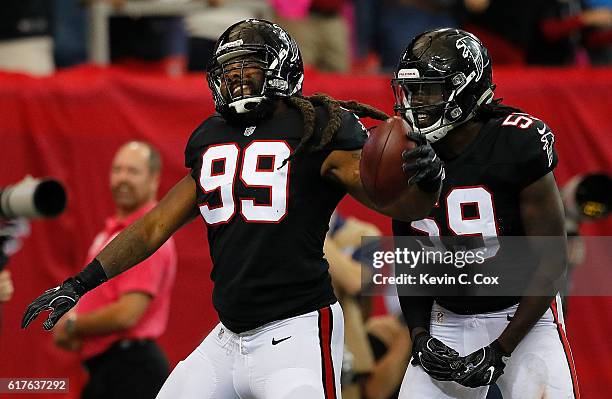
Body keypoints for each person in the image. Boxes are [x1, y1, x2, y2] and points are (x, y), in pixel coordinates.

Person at [22, 19, 443, 399]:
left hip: (294, 330)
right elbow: (153, 226)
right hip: (228, 335)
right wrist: (80, 283)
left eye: (250, 69)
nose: (238, 80)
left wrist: (427, 180)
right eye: (231, 71)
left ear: (281, 71)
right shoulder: (212, 136)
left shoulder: (316, 127)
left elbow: (391, 200)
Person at [390, 28, 578, 398]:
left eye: (430, 90)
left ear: (466, 89)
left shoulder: (516, 141)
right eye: (412, 91)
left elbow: (552, 260)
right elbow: (410, 260)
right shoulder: (400, 150)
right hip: (447, 318)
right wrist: (419, 335)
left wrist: (502, 347)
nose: (417, 103)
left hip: (523, 315)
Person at [51, 141, 177, 399]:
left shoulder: (146, 238)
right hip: (108, 368)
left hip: (131, 370)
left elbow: (127, 314)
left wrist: (73, 325)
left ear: (154, 179)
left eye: (132, 171)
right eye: (117, 170)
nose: (122, 178)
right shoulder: (112, 235)